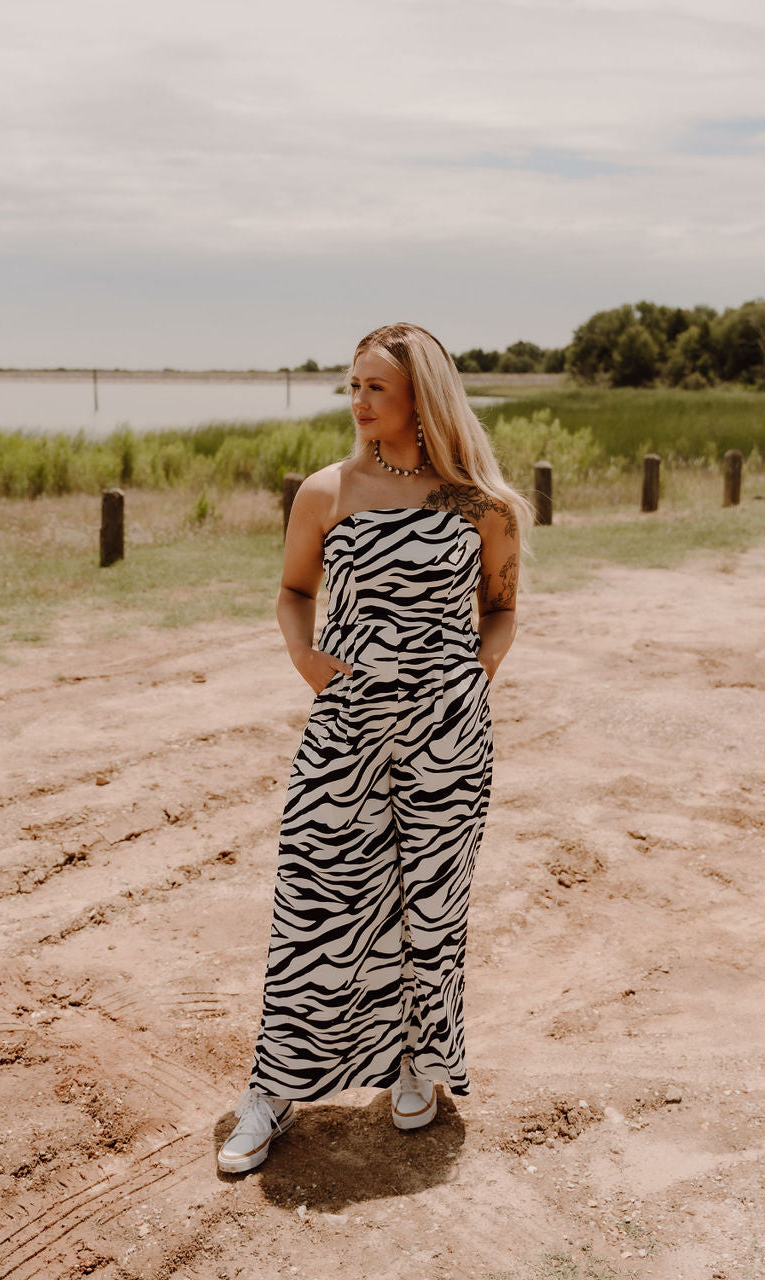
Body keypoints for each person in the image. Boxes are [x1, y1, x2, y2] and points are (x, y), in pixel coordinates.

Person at [217, 321, 527, 1174]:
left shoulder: (478, 503)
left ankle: (418, 1069)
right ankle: (273, 1090)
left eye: (373, 388)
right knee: (315, 900)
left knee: (431, 905)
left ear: (419, 397)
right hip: (346, 727)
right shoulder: (327, 491)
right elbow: (291, 589)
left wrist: (478, 673)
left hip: (449, 733)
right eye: (351, 385)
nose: (356, 402)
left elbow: (499, 606)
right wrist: (306, 659)